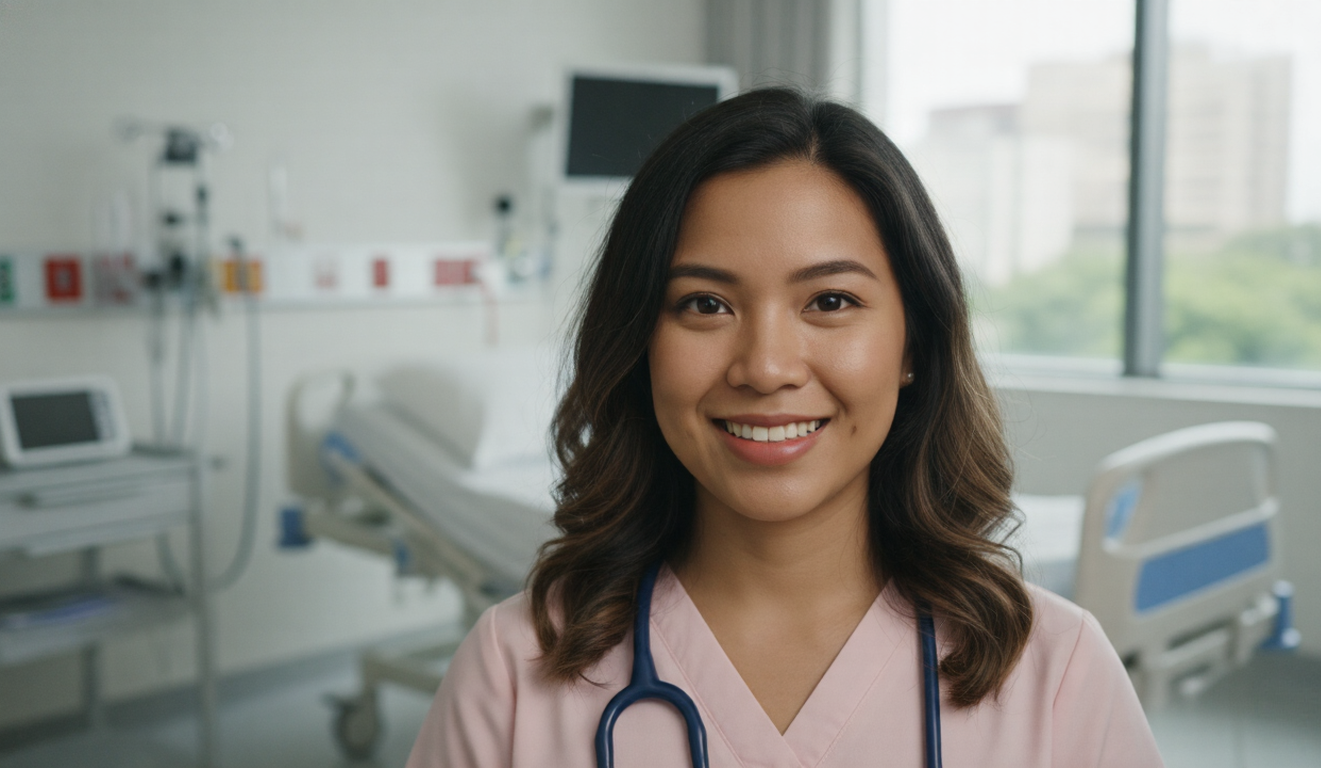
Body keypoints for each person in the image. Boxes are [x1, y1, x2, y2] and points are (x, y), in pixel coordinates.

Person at [406, 88, 1164, 767]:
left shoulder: (1056, 672)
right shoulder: (513, 672)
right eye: (705, 304)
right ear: (640, 345)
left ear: (914, 344)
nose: (765, 367)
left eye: (830, 302)